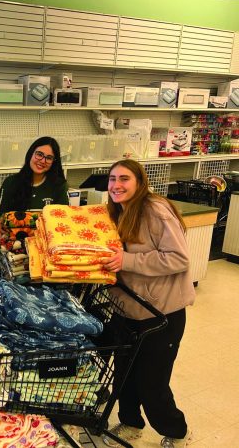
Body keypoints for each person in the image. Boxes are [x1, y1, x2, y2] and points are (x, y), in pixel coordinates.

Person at [102, 159, 193, 448]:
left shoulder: (154, 209)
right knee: (125, 376)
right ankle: (130, 423)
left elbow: (178, 258)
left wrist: (126, 261)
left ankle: (177, 433)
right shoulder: (116, 211)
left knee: (151, 382)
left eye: (124, 178)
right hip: (128, 309)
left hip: (161, 313)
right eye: (112, 178)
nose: (117, 185)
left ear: (140, 182)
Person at [0, 136, 69, 239]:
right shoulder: (10, 183)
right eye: (39, 154)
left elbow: (62, 220)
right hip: (14, 241)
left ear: (54, 162)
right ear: (31, 154)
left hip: (45, 241)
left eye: (49, 158)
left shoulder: (59, 186)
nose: (42, 161)